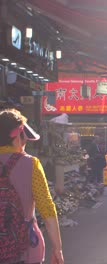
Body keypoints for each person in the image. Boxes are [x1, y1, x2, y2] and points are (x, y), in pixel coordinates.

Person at [0, 109, 64, 264]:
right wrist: (57, 248)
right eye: (25, 137)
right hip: (25, 248)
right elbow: (47, 208)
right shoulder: (30, 164)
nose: (25, 142)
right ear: (17, 135)